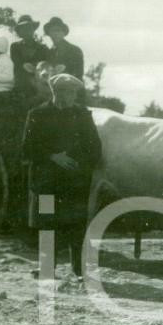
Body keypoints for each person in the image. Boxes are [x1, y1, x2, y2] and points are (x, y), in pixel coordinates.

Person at [22, 73, 101, 280]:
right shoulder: (37, 114)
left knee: (76, 224)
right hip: (46, 182)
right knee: (47, 223)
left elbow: (95, 148)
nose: (71, 96)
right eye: (66, 92)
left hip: (74, 182)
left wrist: (76, 163)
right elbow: (27, 148)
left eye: (74, 92)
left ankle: (78, 269)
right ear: (55, 92)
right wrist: (53, 156)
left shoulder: (82, 114)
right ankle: (47, 268)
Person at [10, 15, 50, 103]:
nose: (26, 31)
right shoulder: (15, 47)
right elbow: (18, 64)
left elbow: (45, 66)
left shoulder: (43, 48)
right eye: (23, 28)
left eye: (29, 28)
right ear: (19, 32)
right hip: (20, 87)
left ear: (33, 30)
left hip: (38, 88)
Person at [44, 16, 85, 82]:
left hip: (72, 88)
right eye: (52, 31)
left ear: (63, 33)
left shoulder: (74, 50)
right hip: (53, 89)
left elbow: (78, 74)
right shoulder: (48, 53)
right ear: (49, 33)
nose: (55, 33)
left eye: (58, 30)